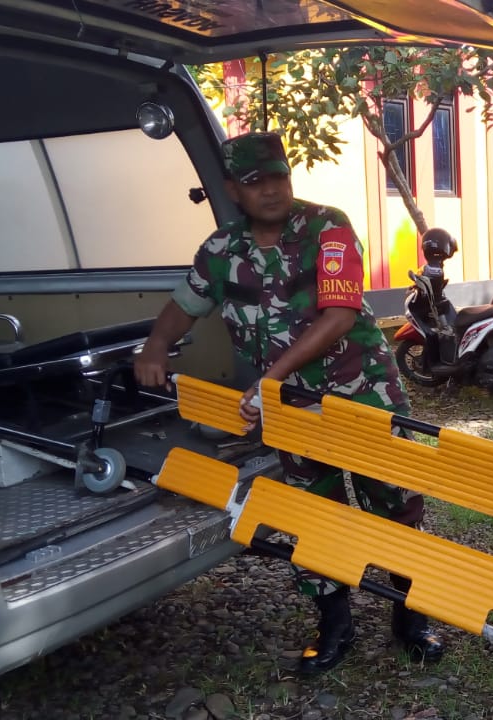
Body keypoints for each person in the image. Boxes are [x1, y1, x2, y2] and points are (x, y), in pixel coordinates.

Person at [133, 131, 444, 672]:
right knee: (314, 510)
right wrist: (156, 345)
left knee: (394, 500)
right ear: (232, 189)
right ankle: (334, 622)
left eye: (278, 176)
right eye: (256, 182)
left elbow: (340, 314)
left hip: (360, 392)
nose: (271, 190)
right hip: (290, 407)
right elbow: (184, 305)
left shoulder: (328, 226)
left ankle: (411, 614)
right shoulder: (221, 251)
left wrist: (269, 378)